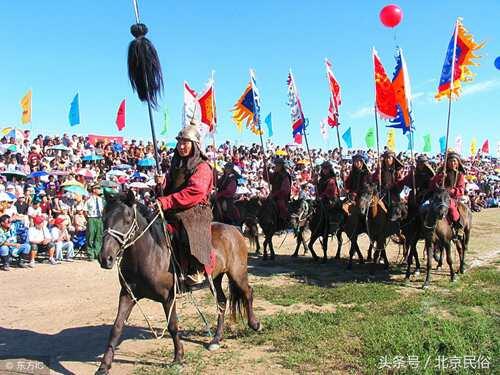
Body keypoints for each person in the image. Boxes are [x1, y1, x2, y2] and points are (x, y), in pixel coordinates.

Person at [156, 125, 214, 285]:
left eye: (185, 143)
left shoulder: (203, 167)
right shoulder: (177, 165)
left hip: (195, 209)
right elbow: (172, 185)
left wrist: (167, 201)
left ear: (194, 145)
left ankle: (197, 268)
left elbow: (194, 192)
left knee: (187, 229)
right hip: (175, 206)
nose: (181, 146)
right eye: (179, 143)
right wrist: (163, 183)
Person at [430, 151, 466, 237]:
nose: (452, 163)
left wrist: (451, 190)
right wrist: (439, 177)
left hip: (451, 198)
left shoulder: (460, 175)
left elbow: (461, 190)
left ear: (457, 163)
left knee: (452, 209)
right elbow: (431, 185)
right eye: (450, 161)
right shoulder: (441, 173)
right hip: (438, 197)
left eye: (454, 161)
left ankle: (458, 227)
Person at [372, 151, 404, 220]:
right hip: (382, 192)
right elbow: (374, 179)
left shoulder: (397, 171)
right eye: (386, 158)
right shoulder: (381, 170)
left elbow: (401, 183)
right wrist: (378, 171)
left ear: (393, 159)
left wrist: (393, 185)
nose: (387, 160)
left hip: (394, 193)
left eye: (389, 158)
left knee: (396, 208)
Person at [264, 158, 292, 229]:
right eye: (275, 165)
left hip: (281, 197)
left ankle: (286, 222)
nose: (275, 167)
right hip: (273, 196)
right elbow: (267, 177)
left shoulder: (285, 176)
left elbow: (284, 190)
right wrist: (265, 167)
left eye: (276, 165)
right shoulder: (275, 174)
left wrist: (274, 195)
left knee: (281, 205)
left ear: (281, 166)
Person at [85, 184, 104, 261]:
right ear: (94, 190)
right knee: (90, 236)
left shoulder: (101, 200)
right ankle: (90, 254)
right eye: (98, 189)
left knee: (99, 236)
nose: (99, 190)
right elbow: (85, 211)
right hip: (91, 218)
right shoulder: (89, 200)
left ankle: (97, 253)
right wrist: (88, 219)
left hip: (99, 218)